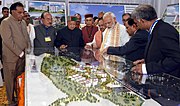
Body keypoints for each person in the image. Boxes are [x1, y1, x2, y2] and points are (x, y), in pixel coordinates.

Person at [131, 4, 180, 77]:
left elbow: (176, 59)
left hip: (169, 81)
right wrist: (147, 60)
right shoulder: (157, 29)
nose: (136, 25)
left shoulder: (163, 31)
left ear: (142, 21)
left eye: (136, 23)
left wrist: (146, 68)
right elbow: (163, 53)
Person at [0, 2, 31, 105]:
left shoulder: (22, 22)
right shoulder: (6, 22)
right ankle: (11, 101)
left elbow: (26, 37)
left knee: (19, 79)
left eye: (23, 12)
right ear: (12, 12)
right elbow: (7, 41)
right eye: (19, 12)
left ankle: (20, 97)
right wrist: (19, 53)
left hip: (23, 57)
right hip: (11, 58)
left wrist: (29, 49)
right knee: (10, 81)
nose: (22, 15)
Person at [0, 7, 9, 81]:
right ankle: (4, 77)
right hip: (1, 44)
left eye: (7, 12)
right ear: (2, 12)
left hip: (10, 45)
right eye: (5, 12)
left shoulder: (11, 21)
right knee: (3, 61)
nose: (6, 13)